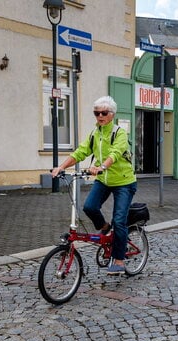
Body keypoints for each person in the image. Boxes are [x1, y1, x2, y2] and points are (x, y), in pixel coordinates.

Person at [51, 96, 137, 276]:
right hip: (104, 180)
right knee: (89, 207)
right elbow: (80, 152)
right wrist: (61, 167)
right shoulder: (94, 134)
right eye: (96, 113)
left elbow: (115, 153)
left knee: (119, 220)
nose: (100, 116)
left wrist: (101, 167)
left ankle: (119, 260)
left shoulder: (119, 133)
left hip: (124, 182)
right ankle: (105, 228)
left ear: (112, 115)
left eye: (104, 113)